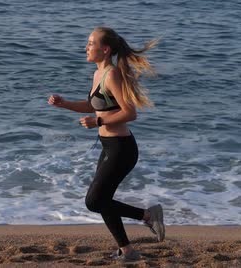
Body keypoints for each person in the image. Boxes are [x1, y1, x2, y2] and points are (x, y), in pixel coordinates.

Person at [48, 27, 165, 261]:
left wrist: (98, 121)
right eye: (88, 43)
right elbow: (94, 105)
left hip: (122, 149)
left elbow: (130, 113)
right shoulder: (98, 73)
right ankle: (127, 250)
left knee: (95, 201)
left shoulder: (111, 74)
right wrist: (65, 104)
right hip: (109, 146)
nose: (86, 47)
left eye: (91, 43)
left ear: (105, 49)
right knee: (103, 200)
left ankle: (148, 216)